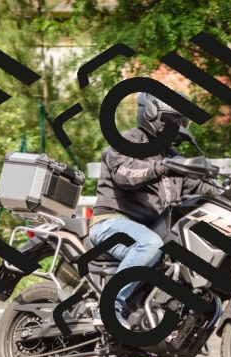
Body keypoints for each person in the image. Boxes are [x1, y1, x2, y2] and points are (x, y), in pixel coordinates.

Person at [90, 91, 221, 329]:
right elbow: (125, 175)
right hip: (111, 222)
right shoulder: (127, 141)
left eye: (182, 122)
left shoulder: (172, 156)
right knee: (150, 244)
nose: (179, 127)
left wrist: (229, 190)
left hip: (148, 229)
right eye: (174, 120)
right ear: (153, 115)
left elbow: (198, 187)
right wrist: (161, 167)